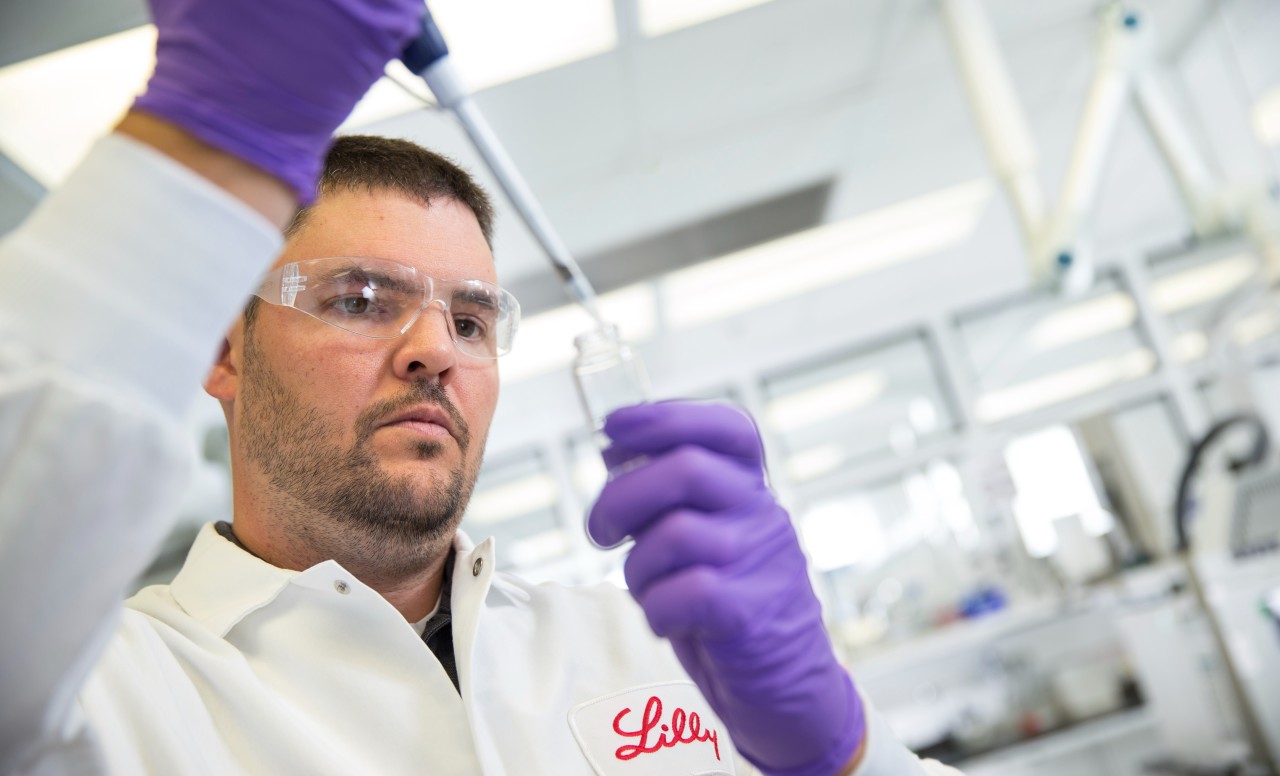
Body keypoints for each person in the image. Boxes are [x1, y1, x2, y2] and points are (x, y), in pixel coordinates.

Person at [0, 1, 961, 774]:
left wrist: (845, 754)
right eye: (361, 298)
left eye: (470, 321)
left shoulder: (661, 649)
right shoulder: (111, 696)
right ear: (224, 352)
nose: (436, 352)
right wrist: (209, 142)